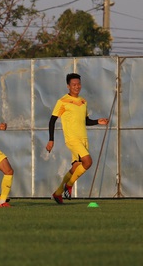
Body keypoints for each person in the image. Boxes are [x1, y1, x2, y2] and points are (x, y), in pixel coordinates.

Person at [46, 73, 109, 204]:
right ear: (68, 86)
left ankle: (58, 194)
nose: (77, 86)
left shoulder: (83, 101)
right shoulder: (62, 101)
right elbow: (52, 121)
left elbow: (85, 121)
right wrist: (51, 140)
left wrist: (98, 121)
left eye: (78, 84)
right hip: (72, 139)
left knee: (75, 167)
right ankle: (69, 185)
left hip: (83, 139)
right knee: (88, 162)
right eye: (74, 85)